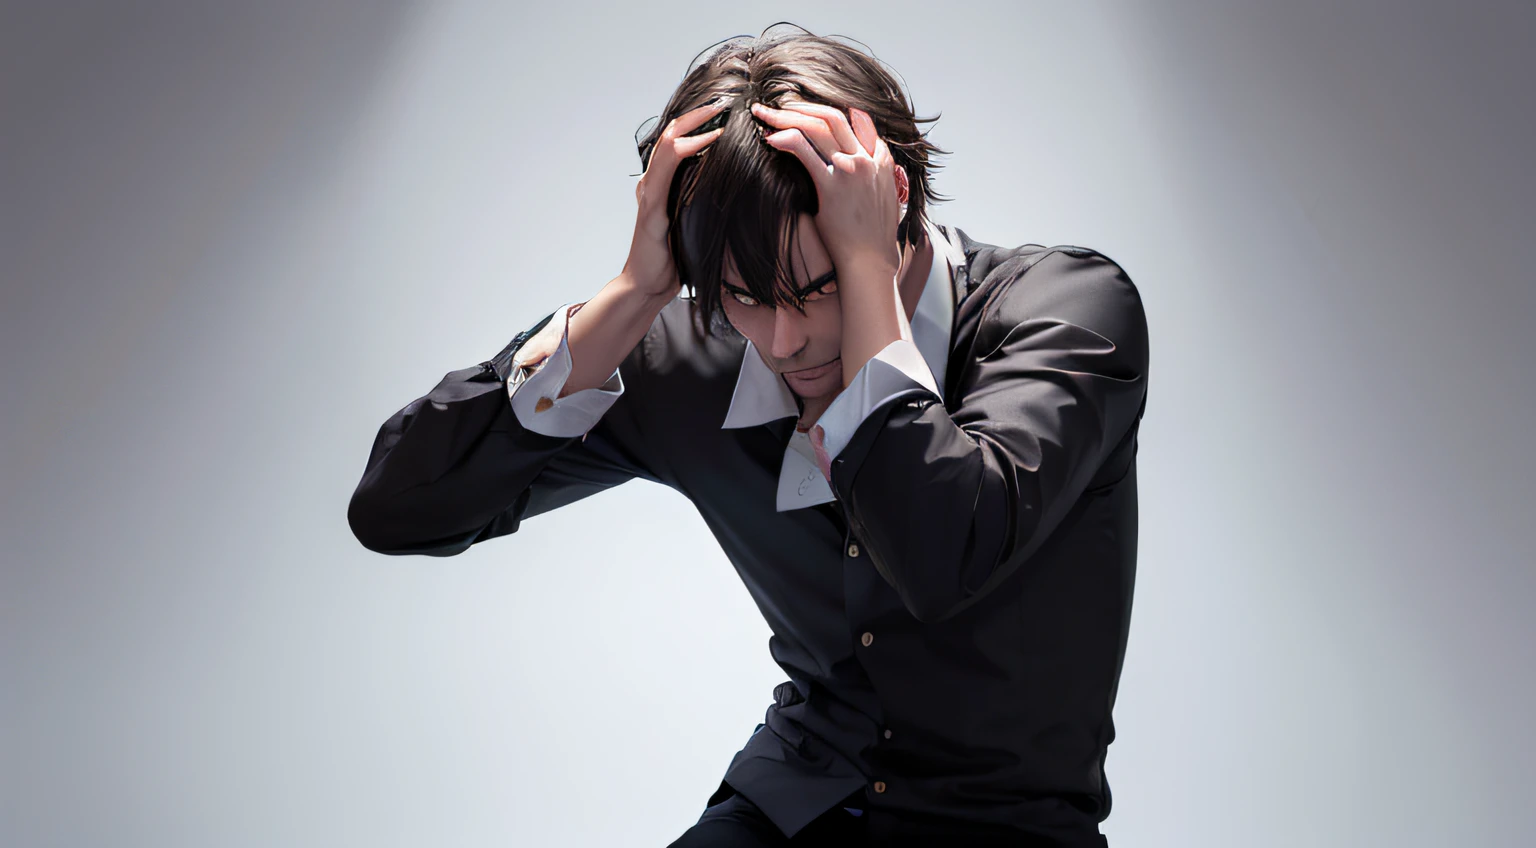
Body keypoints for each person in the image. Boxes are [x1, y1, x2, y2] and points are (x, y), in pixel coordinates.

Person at [348, 24, 1149, 848]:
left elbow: (943, 554)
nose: (781, 341)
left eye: (816, 288)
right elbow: (399, 511)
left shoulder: (1064, 315)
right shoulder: (703, 357)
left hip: (1006, 825)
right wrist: (632, 292)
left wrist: (866, 277)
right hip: (793, 802)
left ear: (891, 204)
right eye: (742, 295)